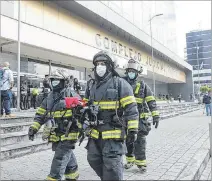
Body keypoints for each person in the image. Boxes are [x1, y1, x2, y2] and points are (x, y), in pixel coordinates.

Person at [82, 50, 139, 180]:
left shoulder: (120, 84)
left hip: (113, 134)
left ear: (110, 66)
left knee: (112, 166)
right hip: (95, 133)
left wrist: (133, 130)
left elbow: (131, 108)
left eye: (103, 63)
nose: (99, 66)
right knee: (93, 159)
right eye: (97, 64)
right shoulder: (91, 85)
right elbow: (85, 104)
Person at [28, 69, 82, 180]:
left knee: (60, 157)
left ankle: (53, 178)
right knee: (66, 155)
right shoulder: (49, 97)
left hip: (69, 134)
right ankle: (73, 175)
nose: (54, 82)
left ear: (65, 82)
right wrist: (33, 128)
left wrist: (82, 128)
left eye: (57, 80)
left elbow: (82, 115)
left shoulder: (72, 95)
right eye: (53, 80)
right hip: (56, 134)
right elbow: (41, 114)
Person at [123, 59, 160, 172]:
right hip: (126, 118)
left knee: (140, 141)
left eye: (133, 71)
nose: (131, 73)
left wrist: (156, 115)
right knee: (128, 140)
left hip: (140, 119)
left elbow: (151, 101)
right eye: (129, 71)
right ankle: (130, 160)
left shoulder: (143, 86)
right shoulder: (122, 84)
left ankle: (141, 163)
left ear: (137, 72)